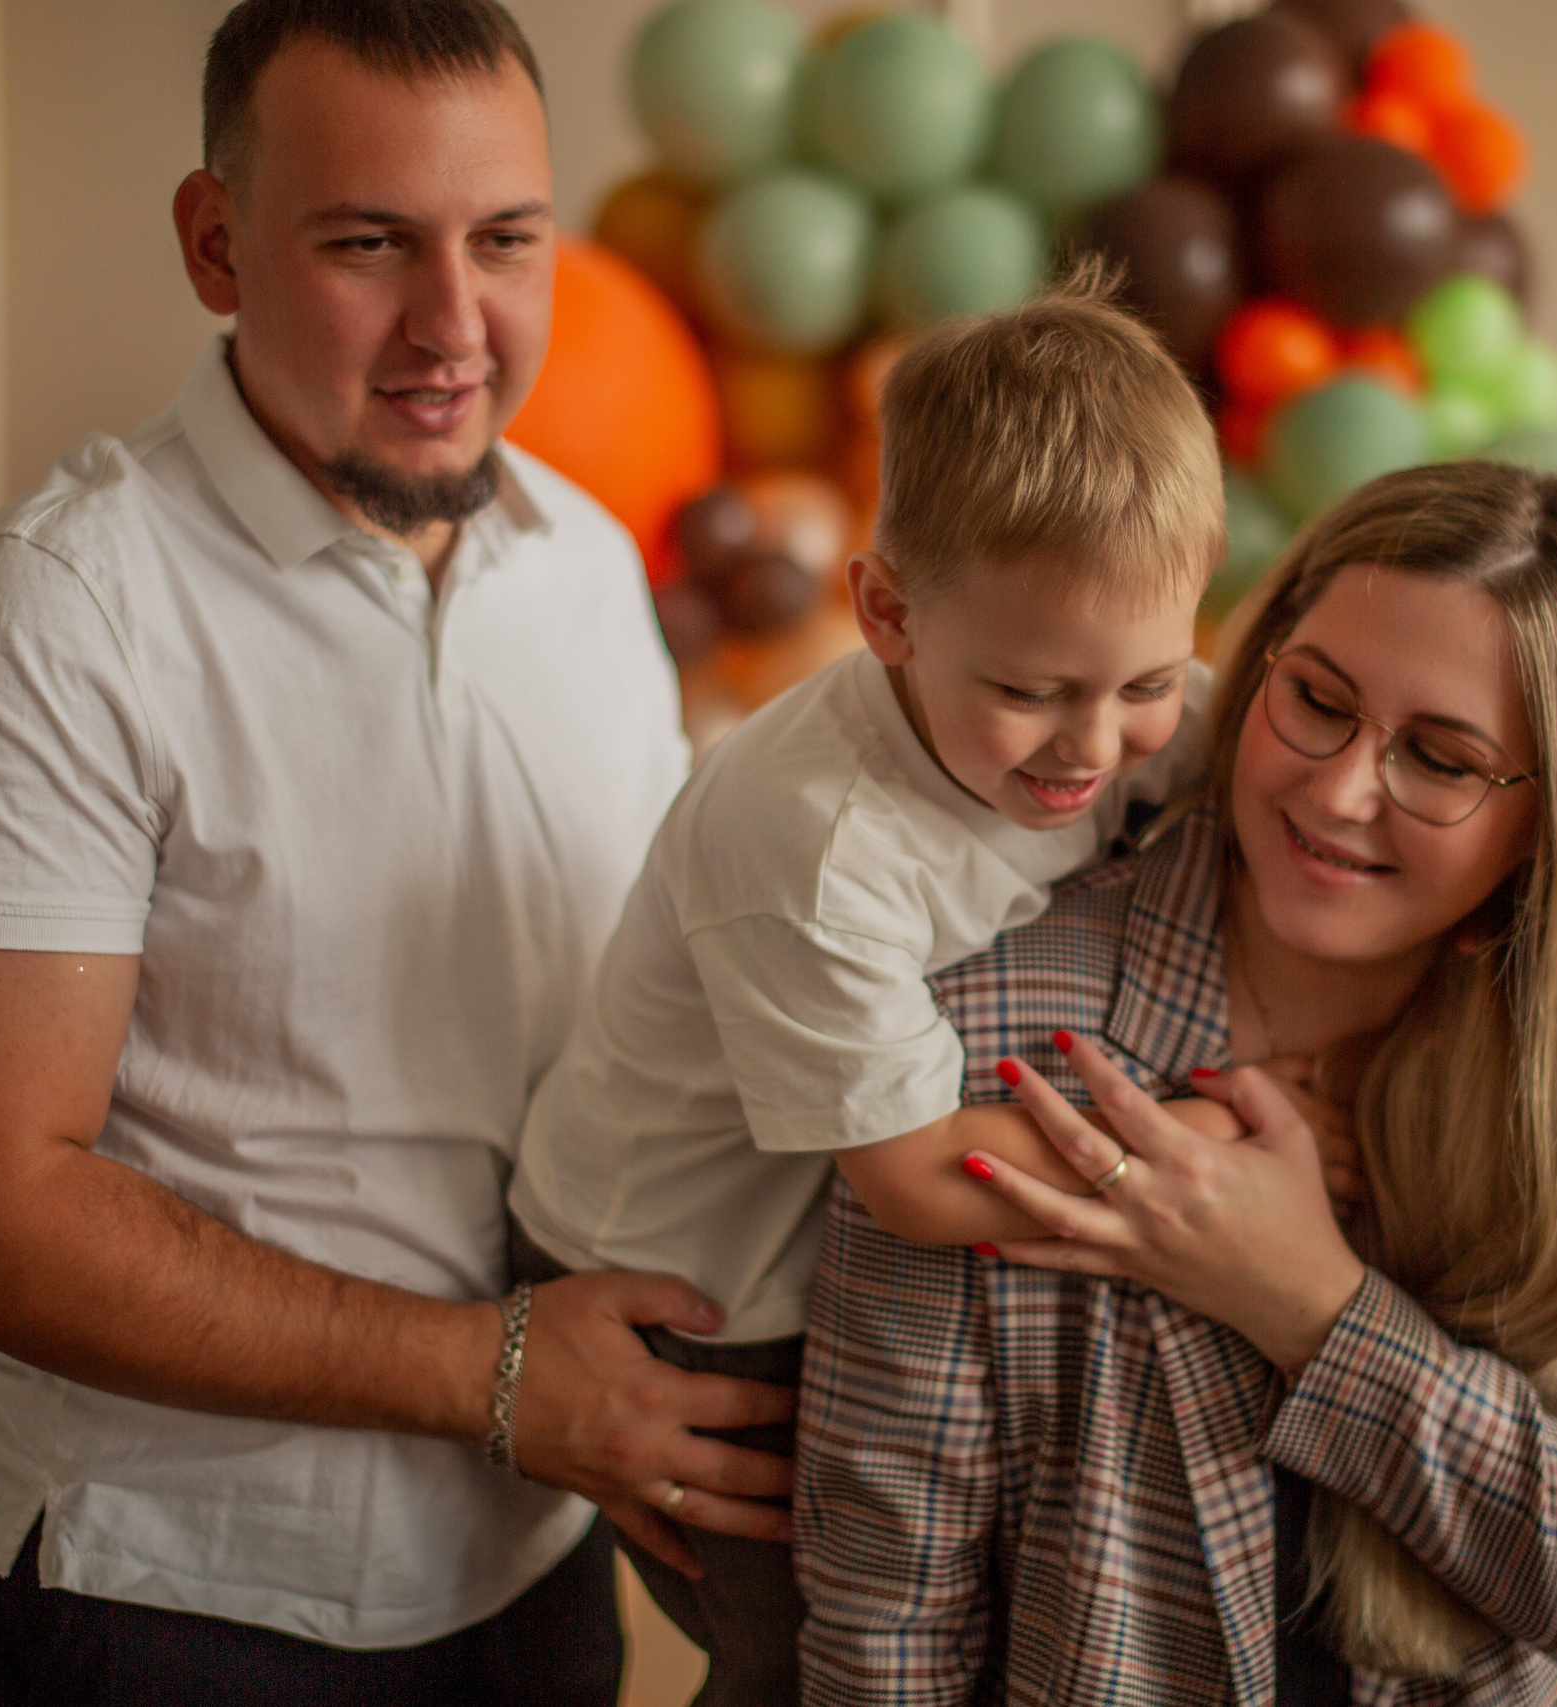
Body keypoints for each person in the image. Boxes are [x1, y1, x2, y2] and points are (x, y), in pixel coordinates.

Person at [0, 3, 793, 1700]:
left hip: (535, 1548)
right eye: (370, 243)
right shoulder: (62, 612)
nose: (455, 325)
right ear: (216, 245)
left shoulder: (583, 567)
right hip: (178, 1592)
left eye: (507, 240)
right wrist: (492, 1373)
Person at [797, 462, 1557, 1704]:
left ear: (1551, 821)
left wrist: (1315, 1309)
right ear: (1259, 665)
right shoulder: (991, 1040)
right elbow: (886, 1628)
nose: (1339, 791)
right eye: (1318, 701)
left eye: (1441, 761)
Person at [506, 279, 1236, 1707]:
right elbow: (910, 1175)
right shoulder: (815, 833)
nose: (1098, 744)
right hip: (673, 1272)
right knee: (805, 1649)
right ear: (887, 611)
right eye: (1036, 690)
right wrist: (1206, 1151)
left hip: (817, 1219)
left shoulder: (1107, 699)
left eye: (1146, 678)